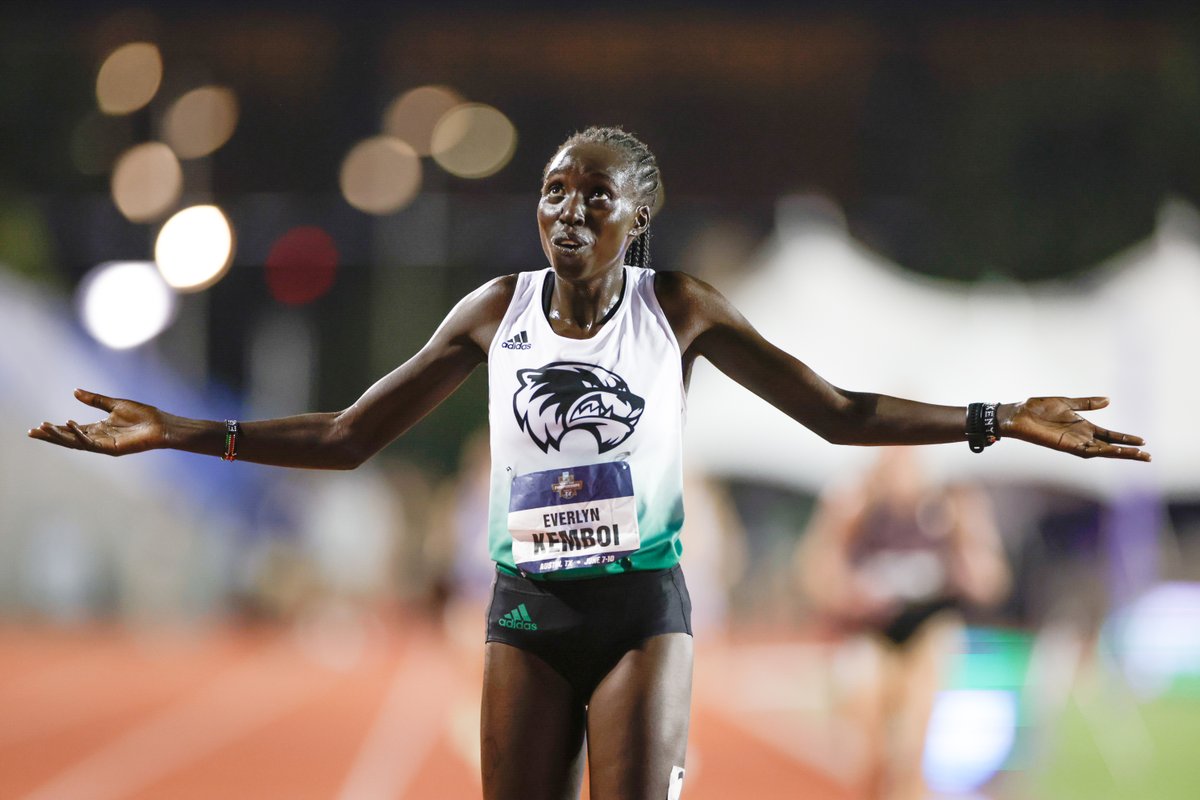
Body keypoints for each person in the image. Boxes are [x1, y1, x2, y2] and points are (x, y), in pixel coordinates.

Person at [28, 126, 1150, 800]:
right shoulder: (494, 311)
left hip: (640, 609)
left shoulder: (680, 310)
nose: (568, 210)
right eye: (556, 189)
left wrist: (996, 418)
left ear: (639, 217)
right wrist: (177, 428)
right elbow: (348, 432)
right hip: (526, 612)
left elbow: (839, 411)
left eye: (595, 195)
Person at [796, 447, 1011, 800]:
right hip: (871, 630)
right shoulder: (856, 502)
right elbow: (815, 576)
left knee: (911, 747)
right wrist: (846, 585)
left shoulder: (951, 503)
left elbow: (991, 583)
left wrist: (968, 538)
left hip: (928, 628)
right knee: (870, 751)